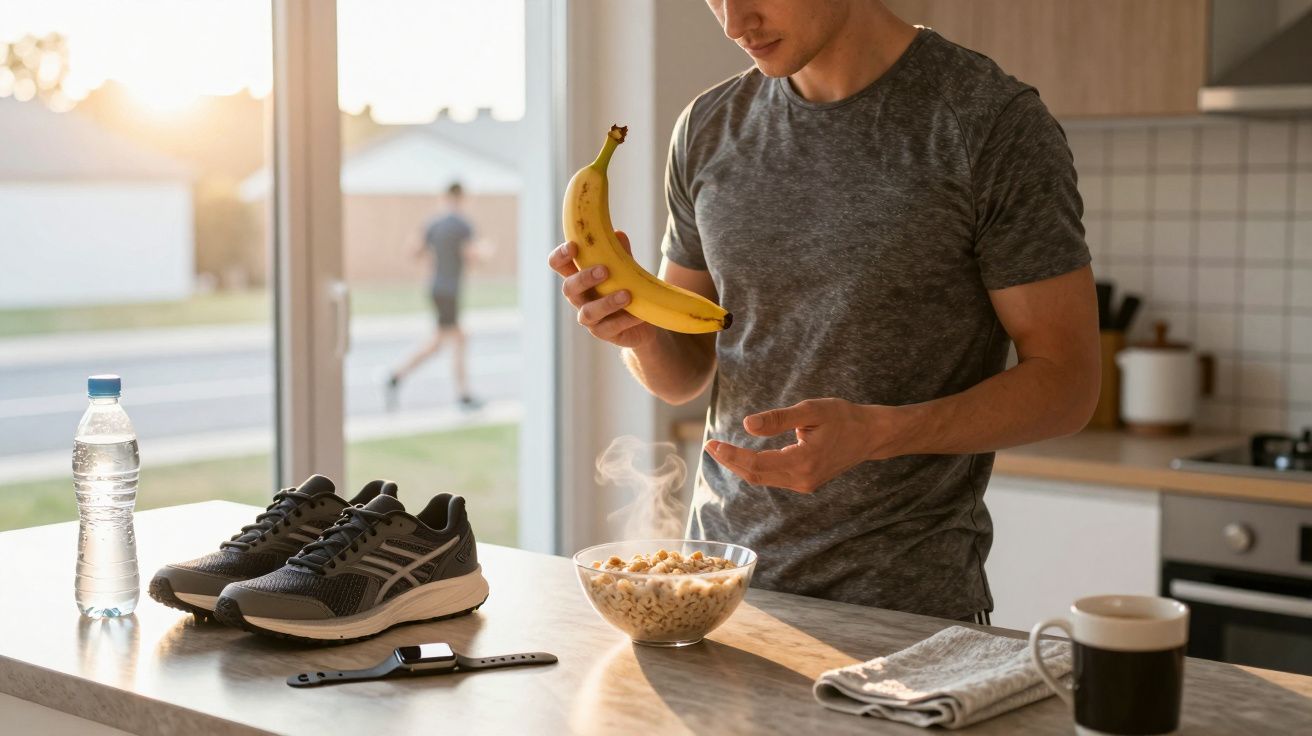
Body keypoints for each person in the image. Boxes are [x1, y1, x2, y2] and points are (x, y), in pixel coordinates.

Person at [549, 0, 1100, 624]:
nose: (734, 22)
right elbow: (682, 376)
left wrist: (881, 434)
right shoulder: (708, 126)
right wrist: (641, 334)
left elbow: (1069, 384)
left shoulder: (988, 122)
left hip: (907, 616)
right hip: (720, 594)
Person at [388, 181, 482, 411]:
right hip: (449, 289)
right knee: (457, 339)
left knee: (441, 342)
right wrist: (485, 253)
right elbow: (471, 255)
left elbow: (414, 251)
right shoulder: (462, 225)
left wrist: (437, 256)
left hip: (436, 287)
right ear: (461, 198)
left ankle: (396, 377)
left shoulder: (434, 223)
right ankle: (463, 395)